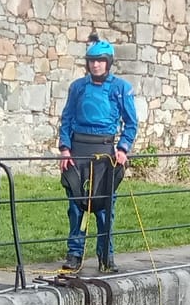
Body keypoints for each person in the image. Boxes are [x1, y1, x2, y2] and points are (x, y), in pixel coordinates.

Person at [56, 37, 138, 276]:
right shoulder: (78, 87)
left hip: (105, 153)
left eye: (101, 61)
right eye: (92, 61)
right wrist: (64, 149)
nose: (96, 66)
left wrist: (122, 149)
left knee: (104, 208)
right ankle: (74, 254)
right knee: (76, 206)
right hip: (78, 152)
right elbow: (67, 119)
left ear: (108, 63)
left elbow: (131, 123)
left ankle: (105, 256)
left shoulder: (121, 88)